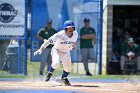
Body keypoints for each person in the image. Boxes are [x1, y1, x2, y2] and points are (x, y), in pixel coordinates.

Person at [34, 20, 78, 86]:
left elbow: (73, 42)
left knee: (68, 69)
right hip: (57, 50)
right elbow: (48, 41)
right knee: (56, 64)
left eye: (72, 28)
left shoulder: (75, 34)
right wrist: (40, 49)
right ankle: (50, 73)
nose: (71, 30)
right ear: (65, 29)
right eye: (69, 28)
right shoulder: (59, 35)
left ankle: (64, 78)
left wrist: (72, 46)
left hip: (66, 52)